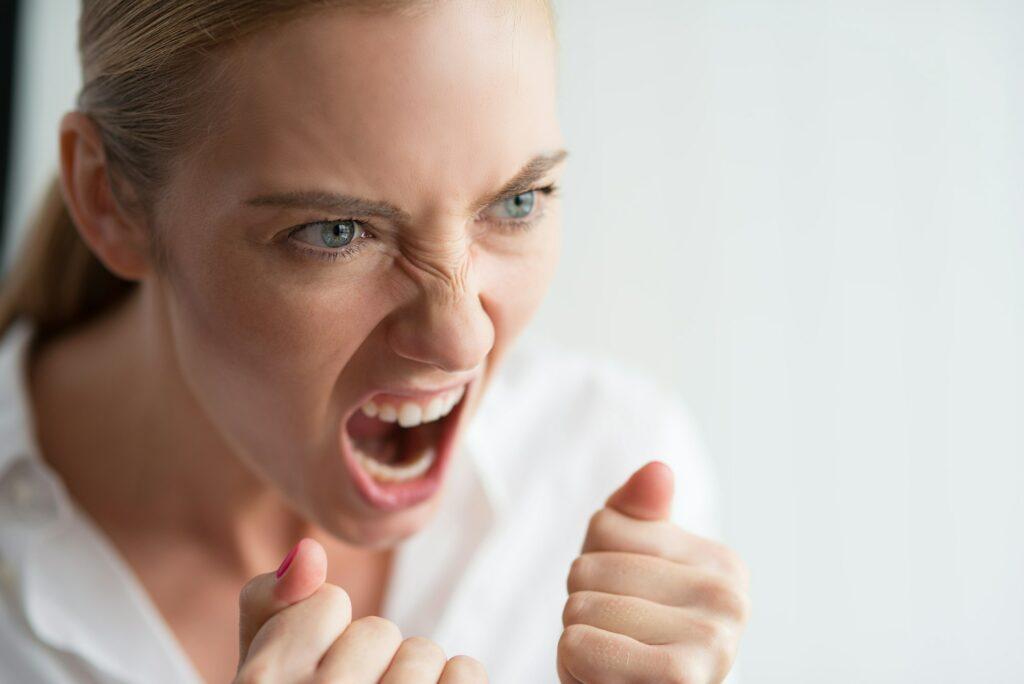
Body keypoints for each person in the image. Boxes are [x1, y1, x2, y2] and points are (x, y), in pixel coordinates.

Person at [0, 1, 750, 682]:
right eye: (337, 233)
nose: (462, 340)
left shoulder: (607, 469)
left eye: (518, 202)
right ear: (109, 200)